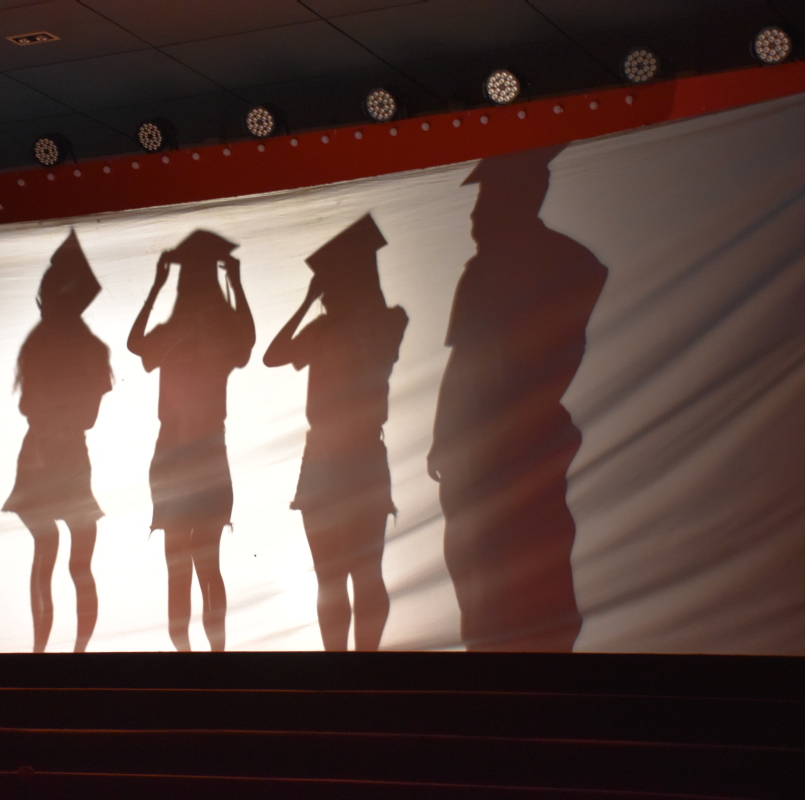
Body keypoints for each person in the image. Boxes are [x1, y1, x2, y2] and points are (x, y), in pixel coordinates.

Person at [428, 146, 607, 651]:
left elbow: (469, 361)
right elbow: (465, 361)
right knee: (489, 566)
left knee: (504, 564)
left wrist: (449, 434)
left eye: (486, 200)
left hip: (504, 439)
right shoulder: (561, 262)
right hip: (496, 437)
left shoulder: (519, 266)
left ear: (519, 198)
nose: (475, 215)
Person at [264, 214, 407, 651]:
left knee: (353, 575)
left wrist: (310, 301)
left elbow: (274, 355)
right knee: (342, 575)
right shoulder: (348, 327)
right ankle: (345, 665)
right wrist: (310, 301)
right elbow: (272, 356)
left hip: (345, 460)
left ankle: (358, 664)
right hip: (336, 460)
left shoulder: (383, 322)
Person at [127, 230, 255, 652]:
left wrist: (157, 285)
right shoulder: (218, 332)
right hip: (206, 455)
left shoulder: (174, 331)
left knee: (179, 569)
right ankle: (214, 656)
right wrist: (235, 283)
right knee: (206, 564)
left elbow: (134, 344)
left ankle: (191, 657)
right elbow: (248, 343)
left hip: (176, 456)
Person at [4, 231, 112, 653]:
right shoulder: (89, 349)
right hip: (61, 457)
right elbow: (88, 416)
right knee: (75, 562)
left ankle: (46, 651)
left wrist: (52, 419)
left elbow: (27, 404)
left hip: (43, 455)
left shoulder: (39, 344)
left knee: (48, 555)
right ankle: (70, 652)